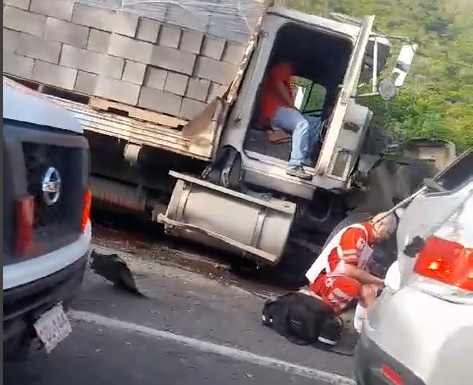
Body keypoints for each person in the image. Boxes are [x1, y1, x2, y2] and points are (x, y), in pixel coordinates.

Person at [304, 212, 397, 336]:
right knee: (351, 286)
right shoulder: (357, 233)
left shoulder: (368, 241)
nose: (387, 238)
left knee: (369, 291)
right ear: (380, 226)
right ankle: (320, 316)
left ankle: (366, 332)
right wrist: (381, 281)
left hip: (338, 277)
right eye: (388, 233)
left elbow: (361, 272)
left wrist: (377, 285)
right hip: (323, 276)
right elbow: (350, 270)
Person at [260, 60, 323, 180]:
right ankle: (295, 164)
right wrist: (293, 106)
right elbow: (278, 83)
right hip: (274, 110)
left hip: (279, 110)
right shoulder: (283, 66)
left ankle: (305, 157)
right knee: (301, 123)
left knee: (314, 121)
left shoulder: (289, 75)